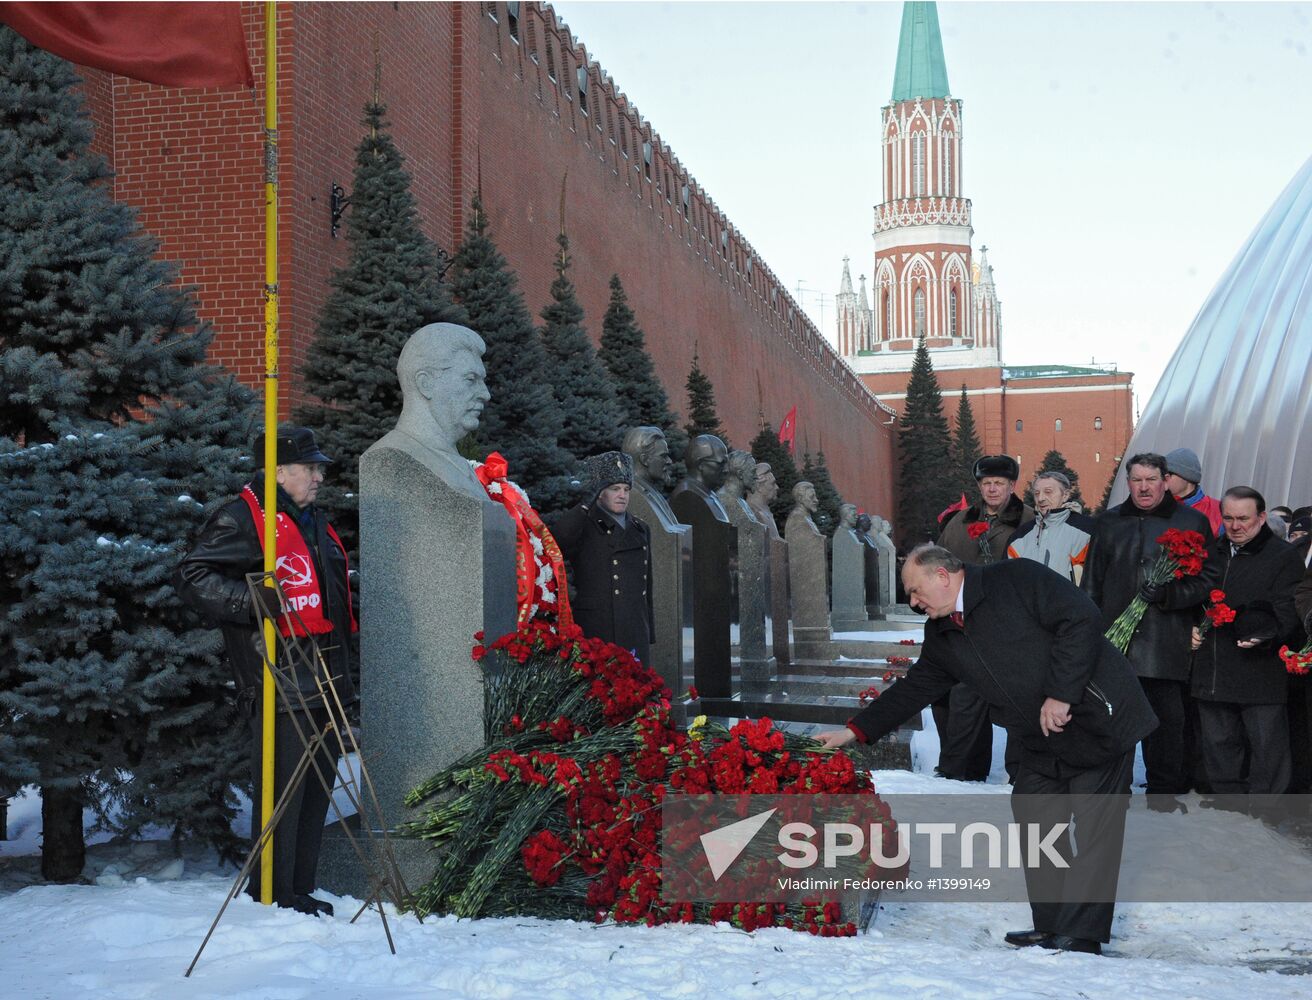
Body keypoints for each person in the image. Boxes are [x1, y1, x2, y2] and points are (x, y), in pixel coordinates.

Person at [817, 545, 1157, 955]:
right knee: (1036, 817)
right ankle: (1051, 925)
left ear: (943, 576)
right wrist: (854, 731)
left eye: (915, 590)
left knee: (1094, 828)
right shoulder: (942, 633)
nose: (914, 601)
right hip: (1039, 737)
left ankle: (1080, 934)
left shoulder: (1017, 579)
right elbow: (916, 687)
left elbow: (1081, 617)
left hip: (1097, 719)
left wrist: (1061, 694)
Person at [176, 426, 356, 917]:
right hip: (277, 677)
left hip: (323, 675)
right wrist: (251, 600)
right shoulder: (242, 519)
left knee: (317, 789)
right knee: (284, 793)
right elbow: (193, 576)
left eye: (319, 468)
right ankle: (273, 895)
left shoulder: (313, 519)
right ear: (278, 471)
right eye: (310, 467)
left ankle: (299, 889)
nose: (319, 476)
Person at [1082, 453, 1212, 802]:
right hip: (1114, 641)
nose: (1143, 487)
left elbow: (1207, 581)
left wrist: (1170, 594)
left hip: (1164, 641)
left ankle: (1164, 794)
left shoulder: (1191, 522)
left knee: (1166, 724)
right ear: (1128, 482)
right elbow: (1092, 582)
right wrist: (1088, 630)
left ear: (1165, 481)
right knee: (1111, 720)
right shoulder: (1109, 522)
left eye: (1150, 479)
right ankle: (1112, 791)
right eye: (1136, 480)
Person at [1189, 487, 1302, 800]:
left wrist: (1266, 635)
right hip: (1213, 668)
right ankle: (1229, 815)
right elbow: (1194, 599)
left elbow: (1288, 608)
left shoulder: (1283, 556)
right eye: (1228, 518)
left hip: (1260, 670)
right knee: (1219, 747)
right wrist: (1191, 627)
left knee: (1267, 750)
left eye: (1243, 519)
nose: (1235, 526)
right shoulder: (1212, 552)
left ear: (1262, 517)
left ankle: (1267, 818)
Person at [936, 456, 1035, 781]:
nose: (992, 488)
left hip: (1015, 626)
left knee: (1020, 700)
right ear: (979, 485)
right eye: (987, 483)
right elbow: (940, 565)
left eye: (1000, 483)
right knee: (966, 699)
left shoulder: (1030, 521)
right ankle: (963, 771)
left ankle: (1024, 773)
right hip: (968, 625)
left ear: (1012, 486)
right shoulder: (959, 522)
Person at [553, 451, 654, 666]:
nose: (622, 495)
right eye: (614, 489)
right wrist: (583, 505)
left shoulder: (640, 528)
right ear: (600, 493)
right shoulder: (584, 524)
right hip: (598, 625)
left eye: (626, 489)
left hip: (634, 626)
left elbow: (647, 587)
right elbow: (559, 540)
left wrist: (648, 631)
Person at [1008, 470, 1095, 585]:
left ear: (1065, 495)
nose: (1041, 499)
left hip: (1071, 602)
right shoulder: (1019, 537)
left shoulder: (1087, 531)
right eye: (1037, 493)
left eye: (1048, 492)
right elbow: (1010, 580)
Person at [1164, 447, 1223, 537]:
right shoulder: (1155, 506)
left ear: (1187, 477)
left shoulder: (1219, 511)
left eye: (1169, 474)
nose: (1163, 478)